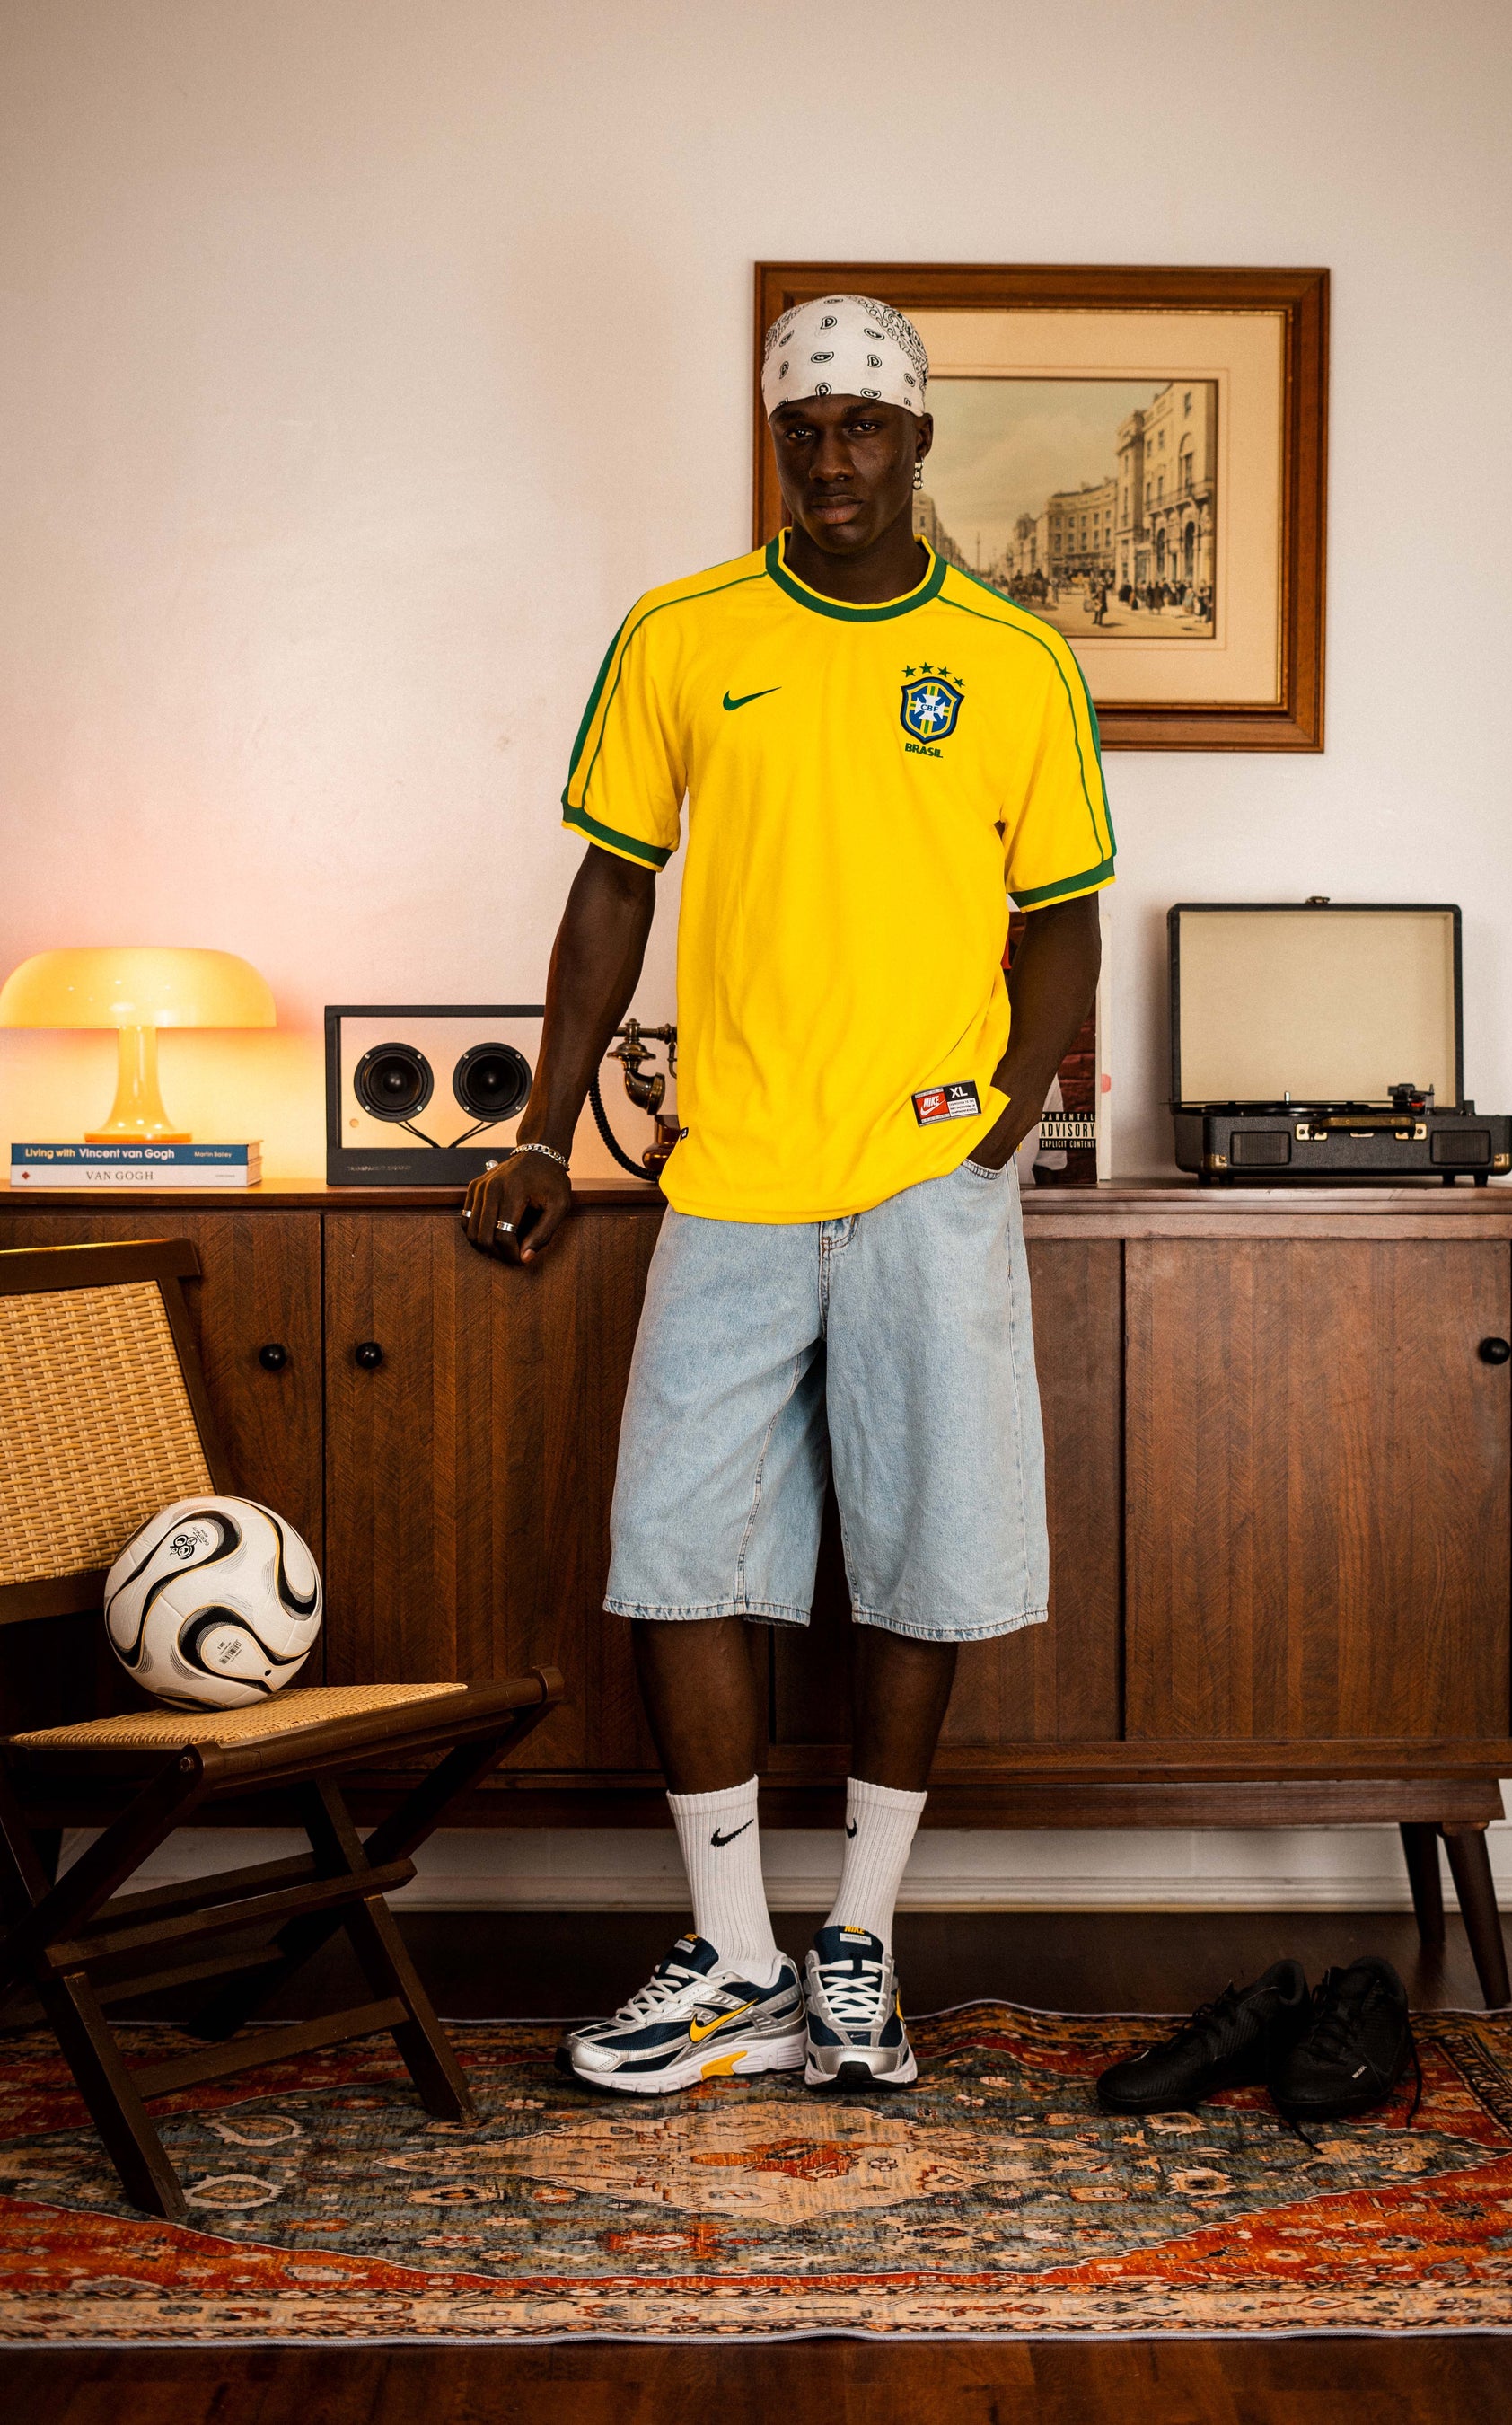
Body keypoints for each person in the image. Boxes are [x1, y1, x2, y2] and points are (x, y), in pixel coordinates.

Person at [463, 293, 1113, 2098]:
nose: (832, 457)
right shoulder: (682, 634)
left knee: (922, 1557)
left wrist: (1002, 1119)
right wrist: (543, 1130)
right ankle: (737, 1957)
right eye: (802, 428)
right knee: (679, 1554)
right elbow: (612, 889)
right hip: (735, 1173)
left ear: (918, 440)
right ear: (776, 442)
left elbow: (1063, 913)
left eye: (863, 425)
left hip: (923, 1178)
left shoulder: (1013, 660)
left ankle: (860, 1951)